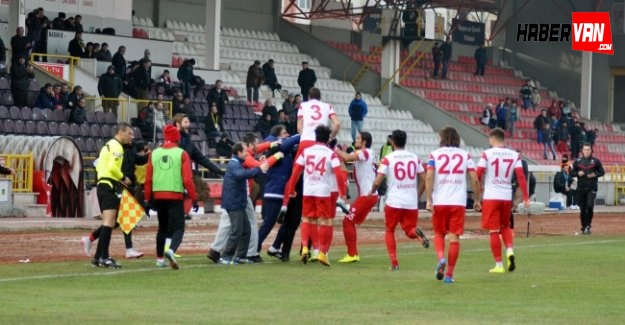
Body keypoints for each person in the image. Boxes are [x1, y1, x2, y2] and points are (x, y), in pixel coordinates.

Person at [207, 133, 282, 263]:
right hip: (238, 195)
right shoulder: (244, 158)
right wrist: (274, 157)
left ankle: (218, 251)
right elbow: (257, 166)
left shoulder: (243, 154)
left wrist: (270, 144)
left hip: (236, 194)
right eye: (255, 144)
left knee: (230, 223)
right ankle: (248, 253)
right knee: (244, 224)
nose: (257, 147)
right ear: (248, 146)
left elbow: (258, 149)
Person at [425, 126, 481, 283]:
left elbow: (429, 177)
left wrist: (429, 200)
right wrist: (477, 200)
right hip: (457, 202)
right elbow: (475, 179)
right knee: (454, 237)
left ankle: (441, 258)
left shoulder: (434, 155)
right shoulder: (465, 155)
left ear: (442, 138)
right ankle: (449, 275)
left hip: (440, 201)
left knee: (439, 234)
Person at [284, 125, 347, 266]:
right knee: (324, 221)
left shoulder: (306, 151)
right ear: (327, 138)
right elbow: (338, 173)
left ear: (315, 137)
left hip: (308, 190)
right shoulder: (330, 153)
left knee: (307, 219)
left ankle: (305, 247)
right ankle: (322, 253)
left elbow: (296, 171)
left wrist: (291, 188)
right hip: (323, 190)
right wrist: (342, 192)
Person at [367, 130, 429, 271]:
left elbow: (378, 181)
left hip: (394, 201)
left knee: (390, 230)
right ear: (405, 141)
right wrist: (417, 195)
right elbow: (425, 180)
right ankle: (417, 233)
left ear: (392, 142)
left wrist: (371, 191)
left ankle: (394, 263)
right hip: (410, 202)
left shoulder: (388, 158)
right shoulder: (415, 158)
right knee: (409, 230)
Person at [80, 140, 149, 260]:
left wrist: (150, 155)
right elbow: (102, 165)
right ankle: (127, 249)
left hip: (127, 186)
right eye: (129, 135)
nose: (131, 138)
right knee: (124, 217)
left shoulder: (129, 152)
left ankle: (91, 239)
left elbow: (140, 160)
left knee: (117, 220)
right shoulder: (113, 150)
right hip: (118, 186)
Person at [476, 128, 530, 274]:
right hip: (506, 196)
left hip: (491, 196)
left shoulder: (487, 154)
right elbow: (521, 178)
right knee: (505, 226)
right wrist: (526, 197)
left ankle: (499, 265)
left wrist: (477, 194)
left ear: (493, 139)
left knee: (493, 231)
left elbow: (478, 174)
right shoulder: (514, 155)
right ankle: (510, 251)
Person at [144, 125, 197, 269]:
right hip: (175, 195)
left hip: (158, 196)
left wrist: (147, 200)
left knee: (162, 228)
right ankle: (171, 250)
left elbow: (148, 179)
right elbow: (187, 179)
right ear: (177, 138)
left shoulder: (154, 153)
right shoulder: (181, 153)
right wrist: (194, 198)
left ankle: (160, 259)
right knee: (179, 227)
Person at [92, 123, 134, 268]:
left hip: (103, 185)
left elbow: (100, 165)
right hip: (107, 186)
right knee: (109, 222)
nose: (132, 137)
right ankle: (104, 257)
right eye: (130, 133)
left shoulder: (108, 145)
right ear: (121, 132)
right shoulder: (117, 147)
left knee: (108, 222)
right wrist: (124, 178)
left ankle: (98, 257)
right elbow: (112, 168)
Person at [218, 142, 268, 264]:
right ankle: (225, 256)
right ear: (239, 152)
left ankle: (240, 256)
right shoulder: (234, 164)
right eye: (245, 151)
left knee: (246, 230)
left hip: (238, 202)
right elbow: (241, 175)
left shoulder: (237, 163)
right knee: (236, 231)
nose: (247, 153)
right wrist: (259, 169)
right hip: (233, 202)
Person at [334, 131, 378, 263]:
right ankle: (352, 253)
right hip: (368, 195)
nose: (356, 140)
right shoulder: (367, 153)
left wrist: (334, 149)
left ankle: (352, 254)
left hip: (367, 196)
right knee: (351, 221)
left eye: (358, 138)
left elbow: (348, 158)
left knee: (347, 221)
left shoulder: (365, 152)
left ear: (364, 142)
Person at [257, 126, 300, 258]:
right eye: (284, 133)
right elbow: (275, 140)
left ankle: (274, 247)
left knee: (287, 223)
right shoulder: (275, 144)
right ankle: (253, 248)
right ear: (277, 136)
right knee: (269, 222)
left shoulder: (285, 150)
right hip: (274, 191)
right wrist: (303, 134)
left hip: (282, 192)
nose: (287, 135)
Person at [295, 87, 341, 159]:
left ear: (309, 97)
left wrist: (304, 135)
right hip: (322, 143)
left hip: (306, 141)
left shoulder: (303, 106)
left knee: (297, 168)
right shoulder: (327, 106)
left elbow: (299, 127)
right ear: (320, 97)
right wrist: (331, 138)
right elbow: (337, 124)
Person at [571, 143, 604, 235]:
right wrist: (578, 173)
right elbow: (571, 173)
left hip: (592, 188)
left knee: (589, 206)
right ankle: (583, 227)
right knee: (582, 209)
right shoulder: (577, 161)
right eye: (585, 149)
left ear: (591, 150)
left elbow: (602, 172)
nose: (587, 151)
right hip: (580, 188)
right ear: (582, 150)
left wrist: (595, 174)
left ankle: (588, 225)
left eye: (588, 149)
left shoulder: (596, 161)